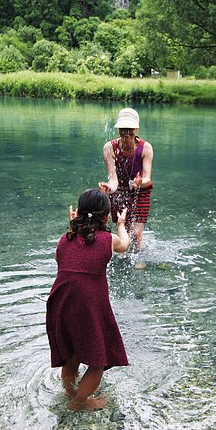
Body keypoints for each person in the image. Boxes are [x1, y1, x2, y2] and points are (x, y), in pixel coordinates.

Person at [46, 188, 130, 411]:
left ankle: (70, 391)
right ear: (106, 216)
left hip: (60, 303)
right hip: (87, 305)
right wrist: (121, 224)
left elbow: (64, 261)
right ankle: (78, 402)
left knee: (70, 355)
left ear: (78, 213)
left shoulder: (65, 239)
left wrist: (74, 227)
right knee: (97, 362)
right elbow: (125, 245)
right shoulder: (107, 239)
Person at [98, 107, 153, 250]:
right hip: (119, 192)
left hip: (141, 192)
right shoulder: (109, 147)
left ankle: (140, 260)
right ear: (118, 128)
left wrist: (140, 182)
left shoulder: (146, 148)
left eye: (130, 128)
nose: (126, 132)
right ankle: (122, 259)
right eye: (123, 128)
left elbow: (147, 177)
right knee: (123, 230)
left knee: (136, 233)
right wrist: (109, 188)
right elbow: (113, 179)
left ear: (136, 128)